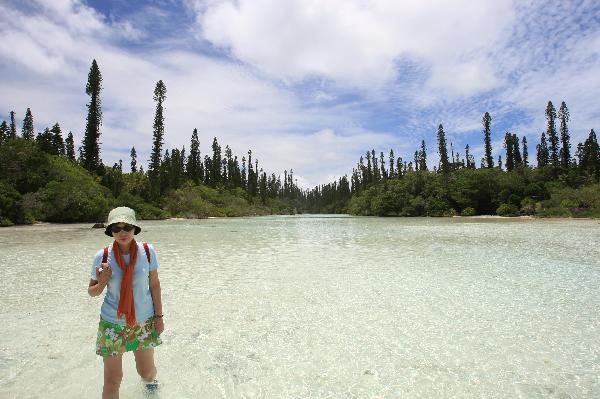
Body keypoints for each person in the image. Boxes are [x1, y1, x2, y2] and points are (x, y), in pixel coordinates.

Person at [88, 207, 164, 398]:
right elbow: (92, 292)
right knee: (113, 379)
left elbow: (154, 285)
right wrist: (103, 280)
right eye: (116, 228)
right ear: (110, 231)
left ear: (135, 228)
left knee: (146, 372)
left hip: (143, 322)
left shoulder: (148, 251)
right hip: (112, 324)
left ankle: (152, 392)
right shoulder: (102, 257)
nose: (122, 232)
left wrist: (159, 317)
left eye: (127, 227)